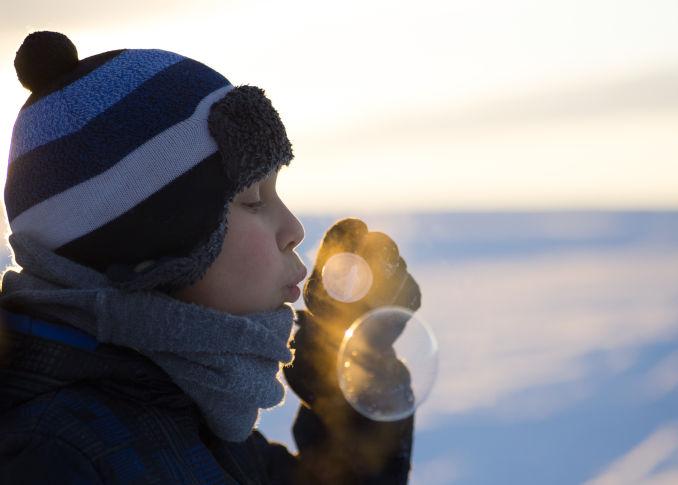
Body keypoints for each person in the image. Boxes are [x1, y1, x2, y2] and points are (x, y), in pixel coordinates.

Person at [0, 31, 422, 484]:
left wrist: (355, 365)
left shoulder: (183, 404)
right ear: (154, 241)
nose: (294, 230)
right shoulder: (56, 457)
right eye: (254, 200)